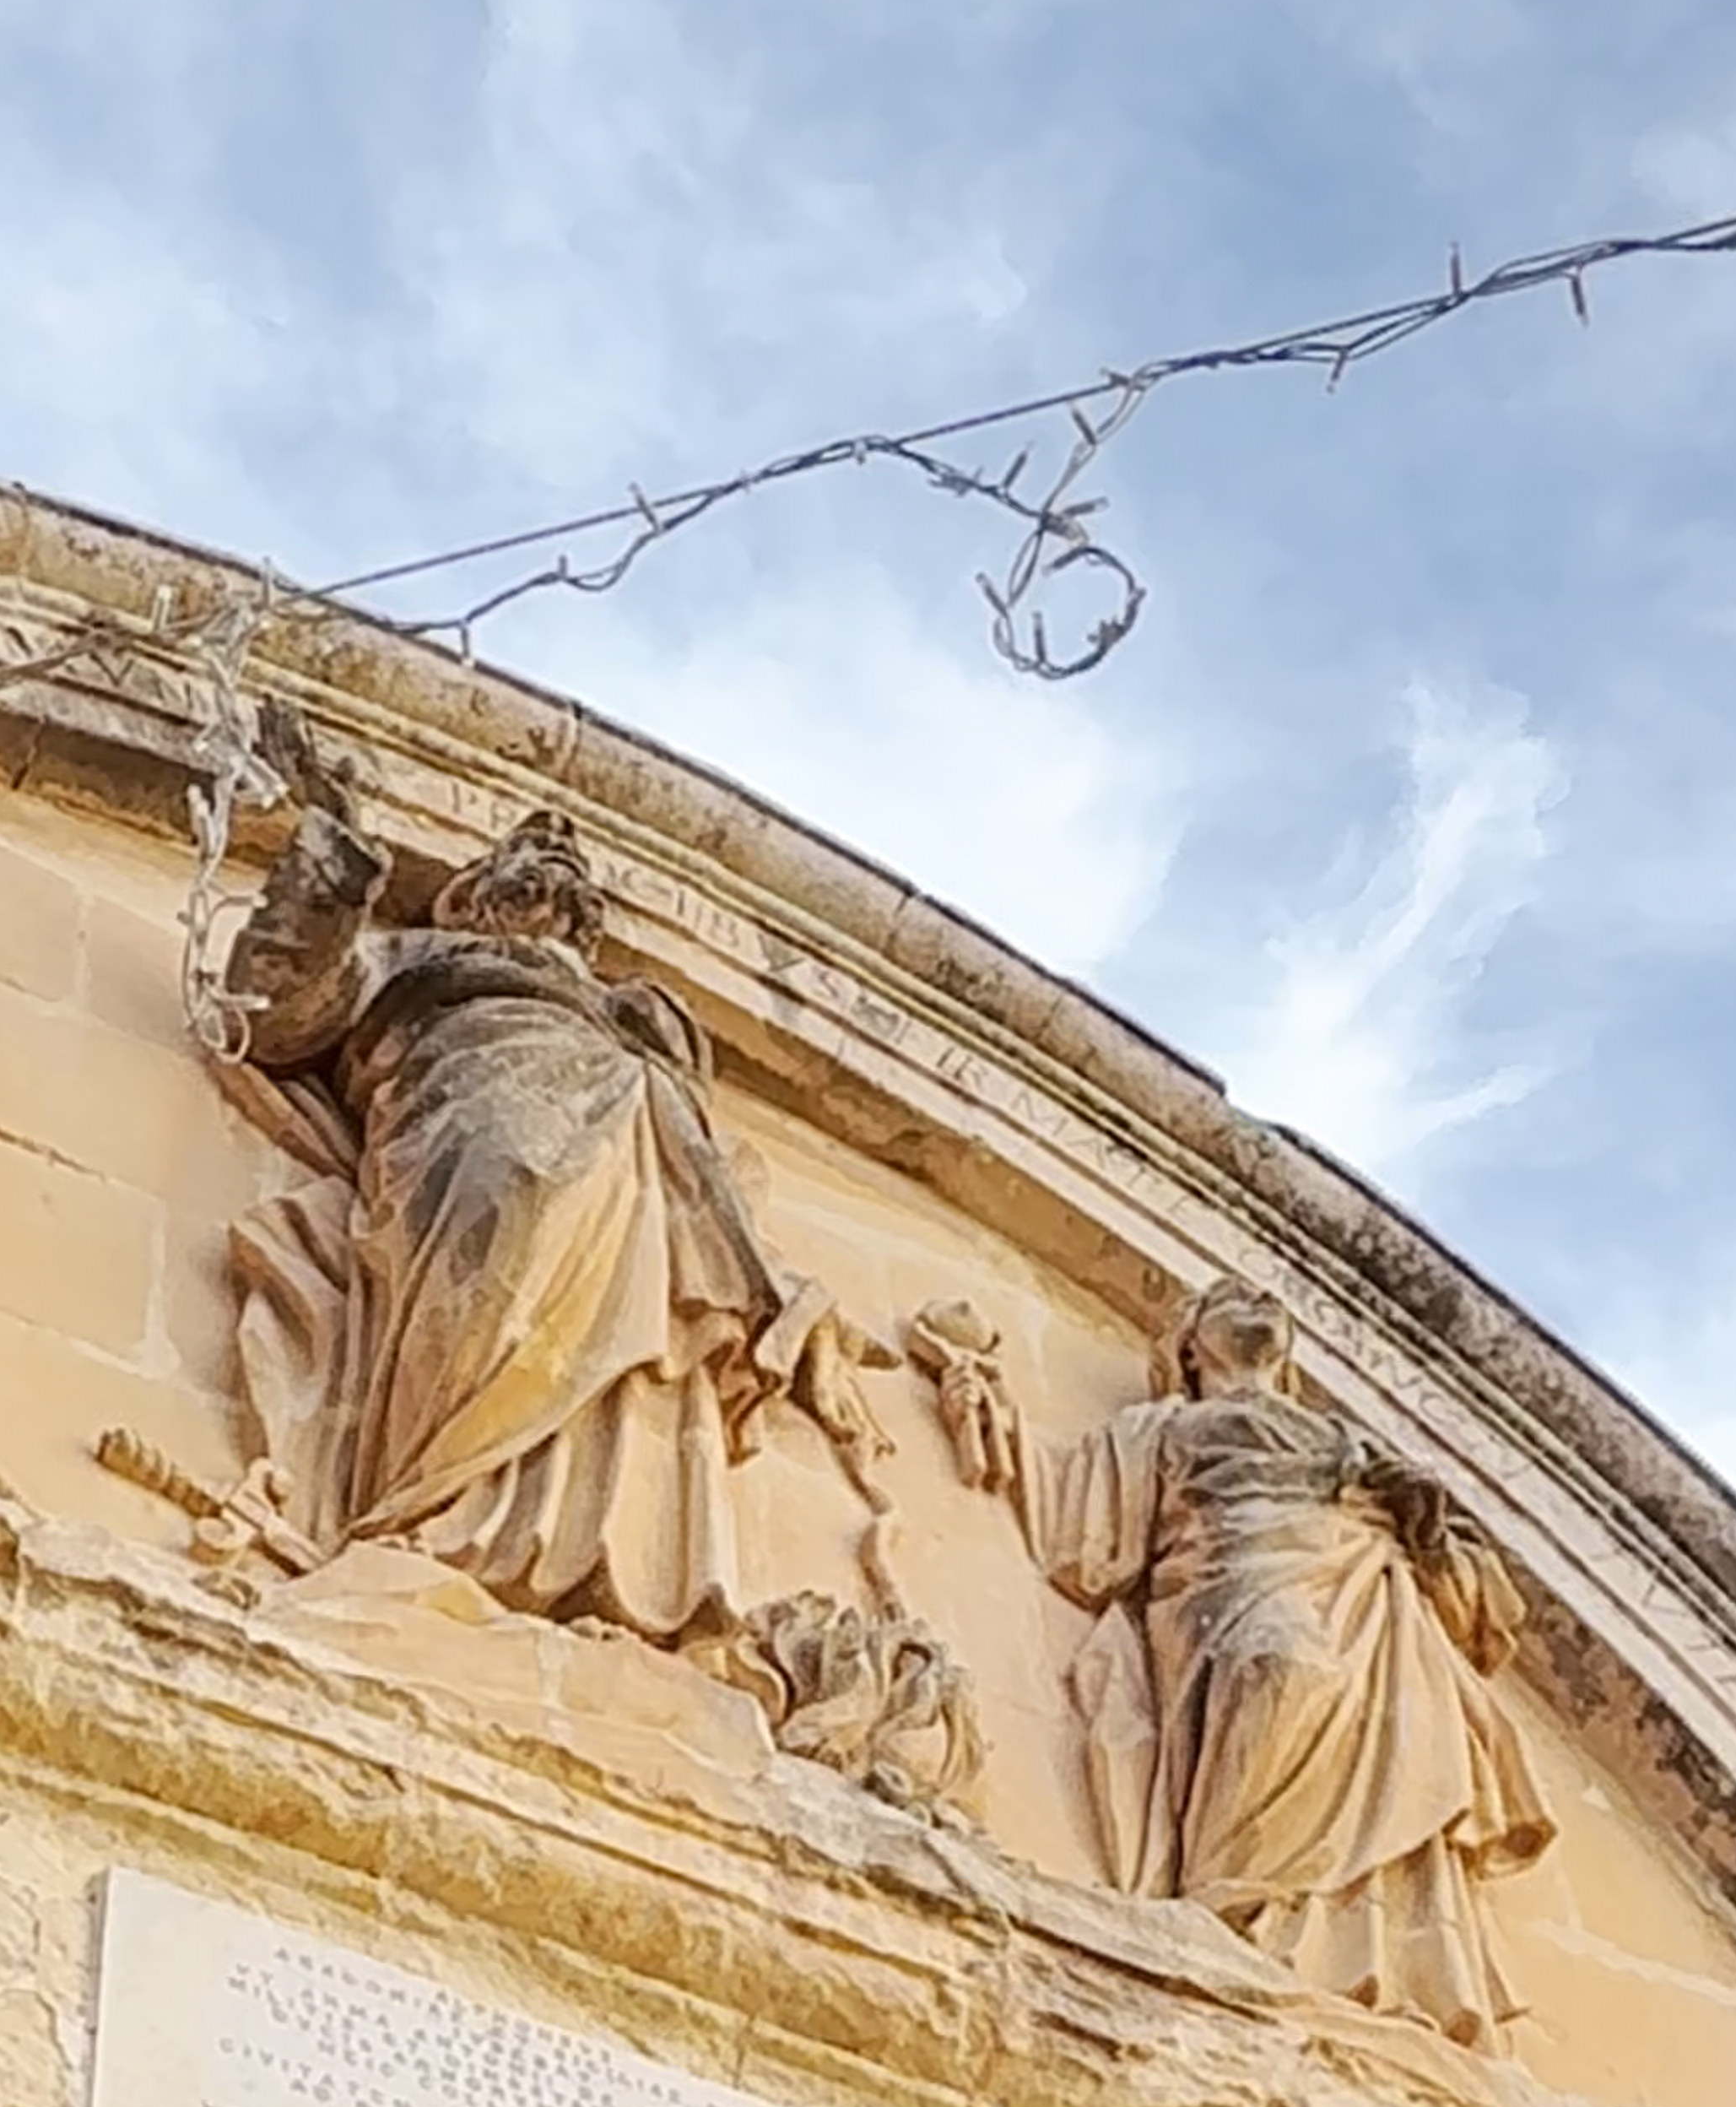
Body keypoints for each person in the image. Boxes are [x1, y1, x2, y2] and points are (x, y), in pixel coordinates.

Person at [216, 795, 875, 1647]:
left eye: (570, 862)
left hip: (626, 1152)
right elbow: (274, 1015)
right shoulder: (420, 954)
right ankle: (434, 1508)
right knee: (501, 1239)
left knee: (623, 1352)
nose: (559, 848)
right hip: (465, 1118)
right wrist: (332, 869)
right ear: (464, 897)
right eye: (528, 854)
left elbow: (709, 1172)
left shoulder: (630, 1014)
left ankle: (585, 1563)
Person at [918, 1276, 1553, 2039]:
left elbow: (1473, 1604)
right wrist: (981, 1394)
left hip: (1364, 1592)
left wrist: (1425, 1528)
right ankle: (1234, 1904)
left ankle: (1330, 1957)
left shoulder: (1348, 1442)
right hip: (1234, 1576)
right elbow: (1077, 1534)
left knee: (1393, 1737)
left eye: (1270, 1302)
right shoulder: (1161, 1427)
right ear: (1189, 1343)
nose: (1258, 1302)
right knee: (1276, 1668)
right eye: (1230, 1300)